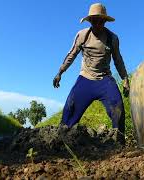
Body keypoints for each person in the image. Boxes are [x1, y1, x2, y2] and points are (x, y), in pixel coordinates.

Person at [53, 3, 130, 144]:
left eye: (101, 21)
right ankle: (62, 142)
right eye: (94, 20)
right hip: (85, 79)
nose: (98, 24)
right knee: (70, 108)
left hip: (104, 80)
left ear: (105, 21)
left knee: (118, 107)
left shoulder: (112, 38)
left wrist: (125, 79)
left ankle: (119, 143)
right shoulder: (82, 35)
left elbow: (118, 60)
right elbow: (71, 55)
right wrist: (60, 72)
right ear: (90, 21)